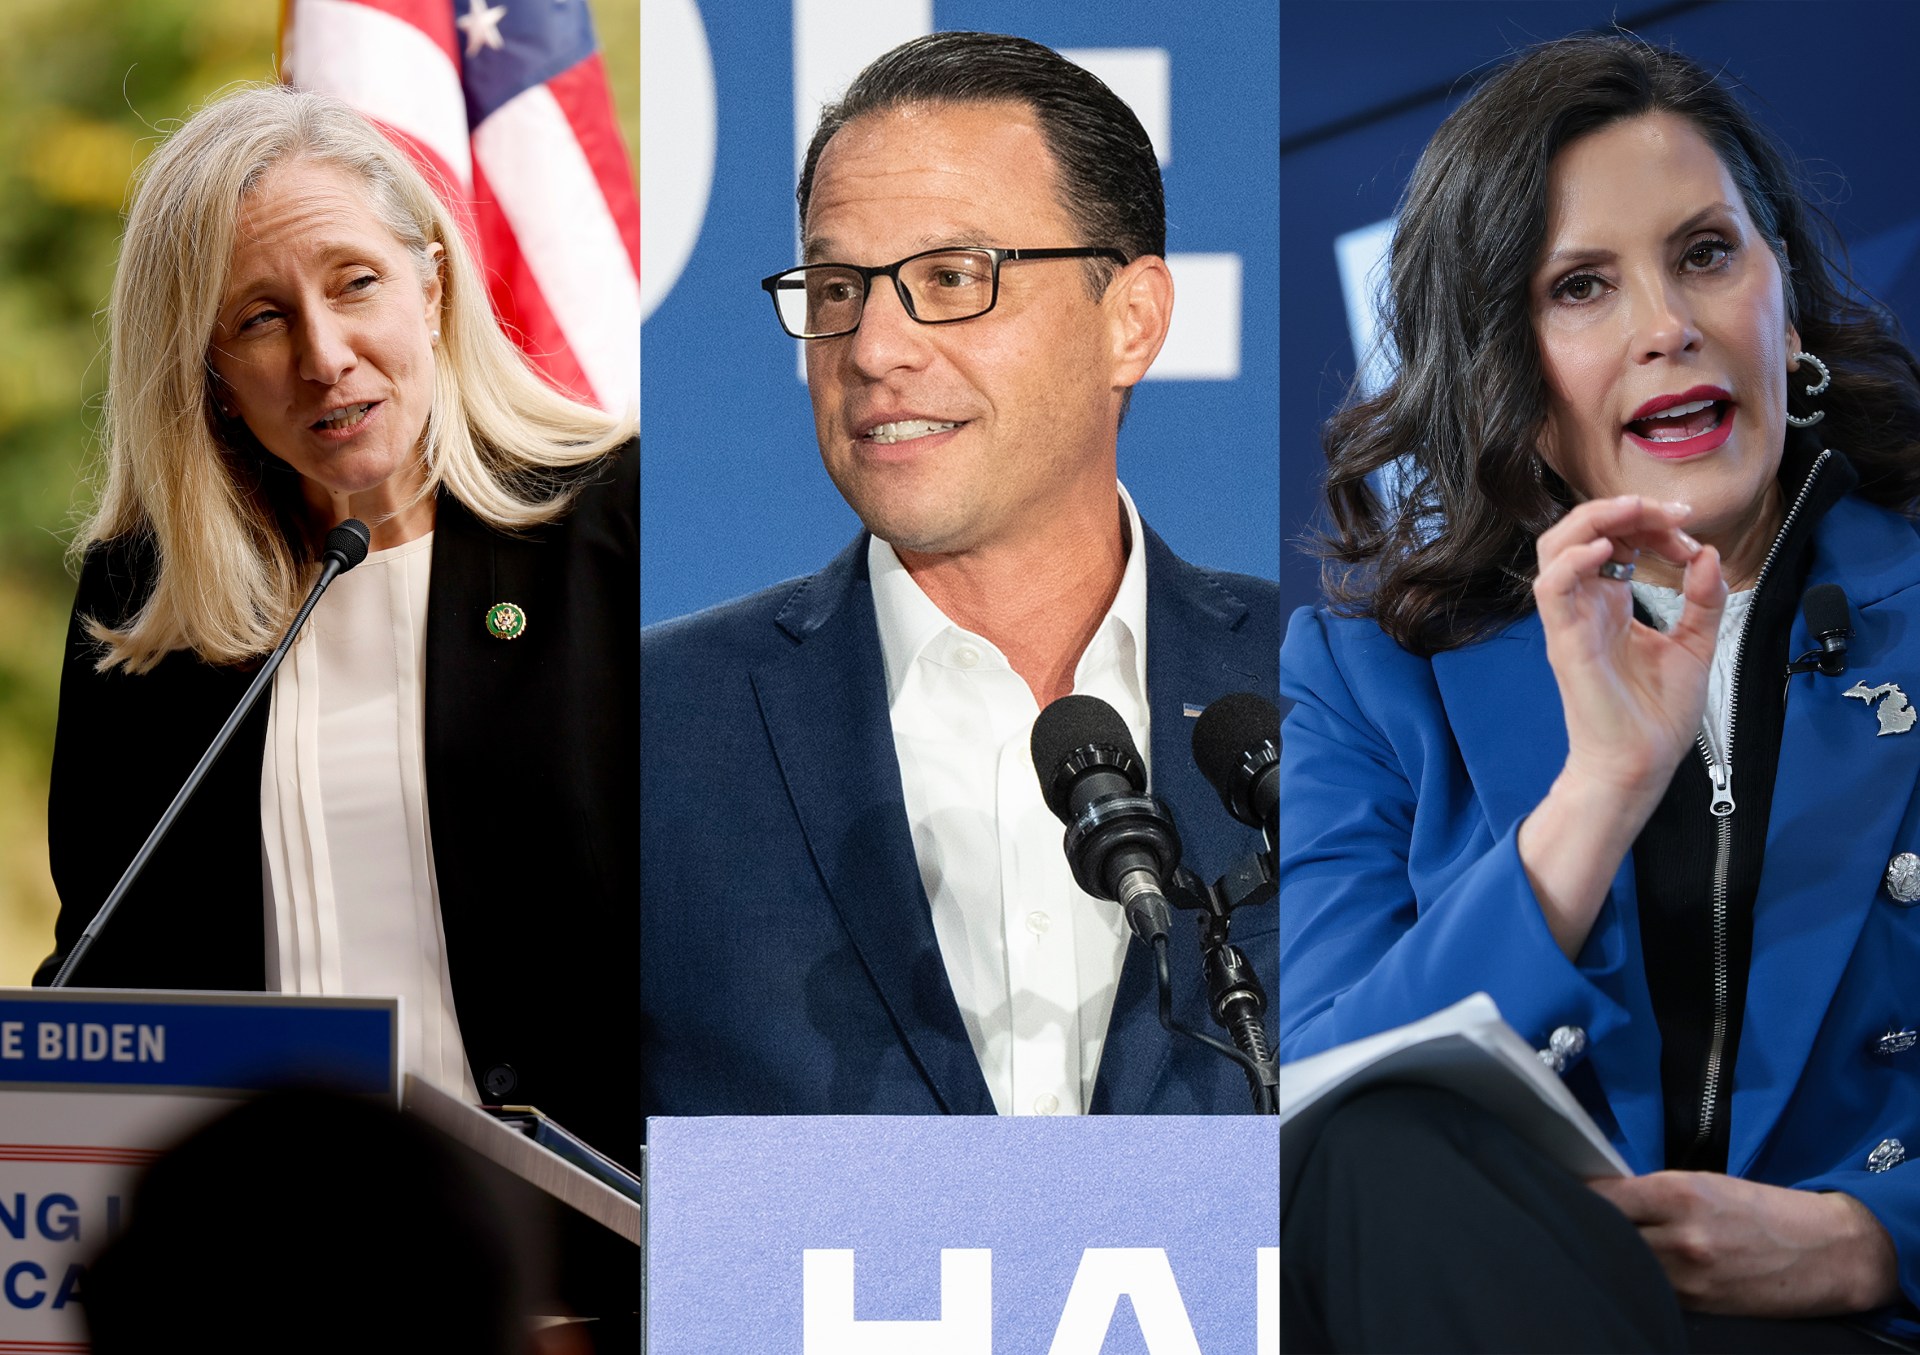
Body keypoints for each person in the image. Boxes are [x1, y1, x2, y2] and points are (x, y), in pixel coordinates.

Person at [1280, 35, 1920, 1352]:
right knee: (1372, 1140)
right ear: (1509, 371)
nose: (1665, 325)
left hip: (1860, 1326)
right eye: (1582, 285)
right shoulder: (1364, 680)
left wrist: (1875, 1238)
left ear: (1782, 304)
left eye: (1706, 253)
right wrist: (1599, 791)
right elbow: (1315, 1119)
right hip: (1510, 1315)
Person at [38, 85, 636, 1343]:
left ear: (433, 283)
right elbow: (106, 975)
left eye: (355, 281)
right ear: (205, 369)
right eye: (260, 317)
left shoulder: (621, 534)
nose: (323, 353)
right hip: (269, 1302)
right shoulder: (147, 608)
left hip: (589, 1291)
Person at [641, 31, 1278, 1119]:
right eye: (837, 285)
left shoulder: (1331, 687)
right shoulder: (657, 723)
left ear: (1131, 321)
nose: (873, 345)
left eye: (949, 276)